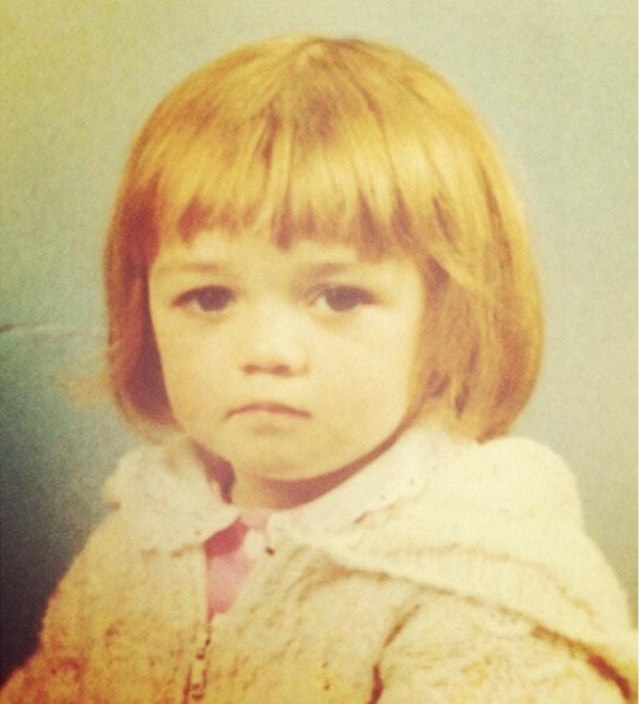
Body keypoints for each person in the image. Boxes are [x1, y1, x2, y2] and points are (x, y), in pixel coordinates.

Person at [1, 35, 635, 703]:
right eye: (209, 298)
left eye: (339, 297)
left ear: (449, 319)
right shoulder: (142, 535)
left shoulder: (487, 582)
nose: (267, 350)